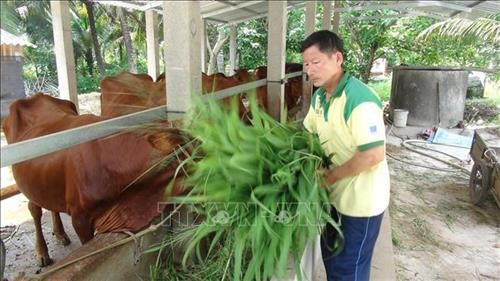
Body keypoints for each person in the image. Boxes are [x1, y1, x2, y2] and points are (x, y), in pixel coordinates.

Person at [301, 30, 390, 281]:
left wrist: (326, 178)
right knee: (332, 263)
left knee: (348, 270)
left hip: (361, 203)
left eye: (316, 62)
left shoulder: (359, 99)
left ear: (337, 58)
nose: (310, 70)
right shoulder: (319, 98)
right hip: (335, 197)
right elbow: (307, 137)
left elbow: (373, 154)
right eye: (307, 64)